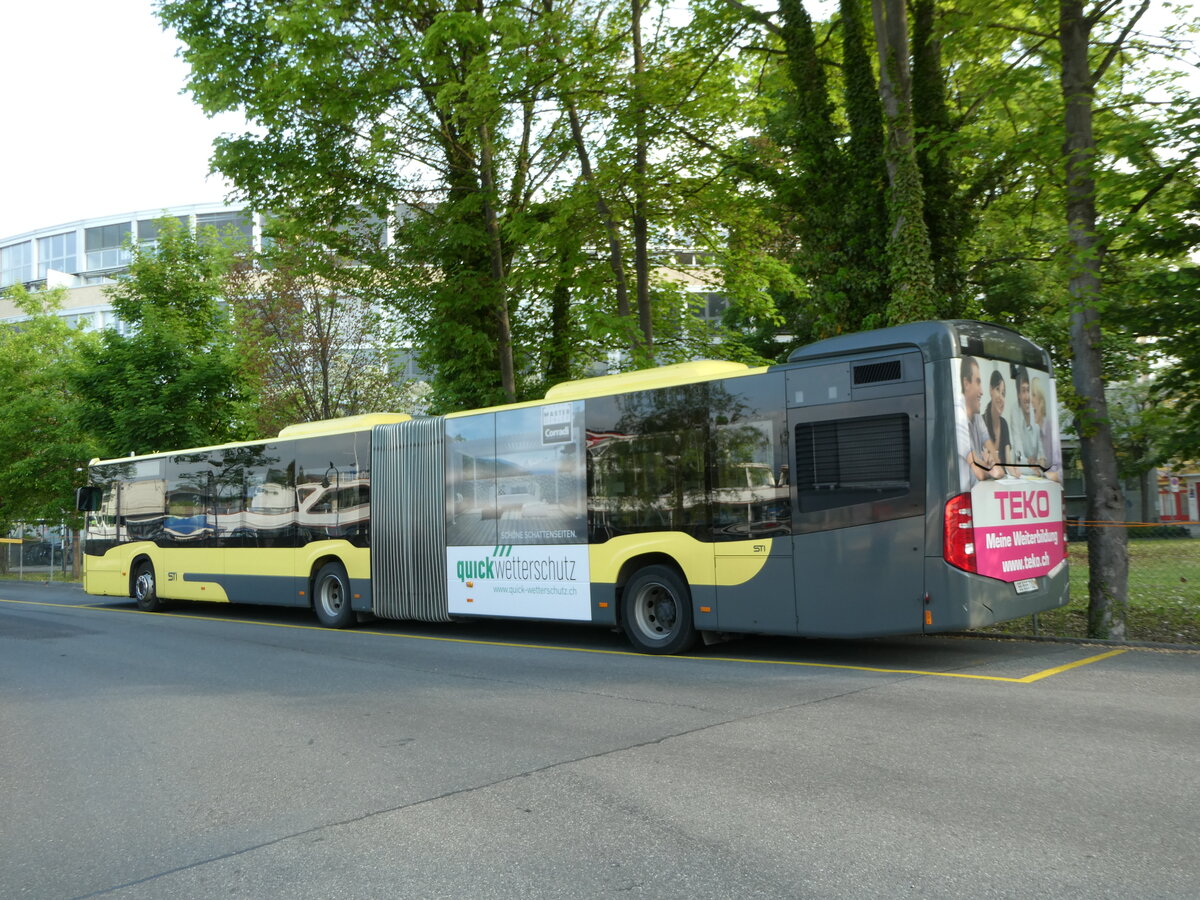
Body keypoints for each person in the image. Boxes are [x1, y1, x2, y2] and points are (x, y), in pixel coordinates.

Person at [957, 356, 1002, 490]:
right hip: (964, 495)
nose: (982, 392)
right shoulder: (957, 416)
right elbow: (980, 473)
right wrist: (991, 468)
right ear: (966, 383)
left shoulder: (976, 415)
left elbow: (997, 463)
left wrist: (993, 465)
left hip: (977, 494)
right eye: (978, 382)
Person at [1010, 366, 1045, 473]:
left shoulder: (1037, 413)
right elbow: (1019, 456)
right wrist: (1030, 464)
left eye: (1028, 390)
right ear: (1018, 395)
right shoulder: (1015, 411)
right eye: (1023, 391)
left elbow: (1042, 456)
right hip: (1022, 475)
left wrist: (1040, 461)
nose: (1027, 397)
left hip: (1037, 474)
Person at [1031, 377, 1062, 482]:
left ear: (1041, 401)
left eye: (1033, 395)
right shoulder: (1036, 432)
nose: (1031, 401)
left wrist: (1047, 474)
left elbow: (1059, 473)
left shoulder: (1051, 429)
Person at [983, 368, 1013, 469]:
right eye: (997, 389)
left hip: (1003, 477)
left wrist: (1014, 469)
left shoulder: (1004, 424)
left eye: (1003, 393)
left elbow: (1008, 462)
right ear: (990, 390)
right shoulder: (981, 423)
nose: (1000, 397)